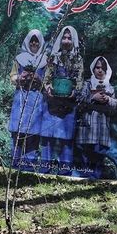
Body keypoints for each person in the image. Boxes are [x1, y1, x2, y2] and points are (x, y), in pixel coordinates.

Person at [39, 26, 84, 175]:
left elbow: (79, 80)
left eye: (69, 38)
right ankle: (44, 170)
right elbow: (47, 77)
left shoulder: (78, 59)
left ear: (73, 40)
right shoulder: (53, 57)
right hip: (51, 103)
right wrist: (48, 87)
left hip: (68, 105)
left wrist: (74, 91)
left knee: (66, 139)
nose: (66, 41)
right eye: (64, 38)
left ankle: (65, 172)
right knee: (47, 137)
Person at [8, 29, 47, 171]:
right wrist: (19, 77)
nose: (34, 43)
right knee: (17, 134)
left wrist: (39, 78)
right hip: (21, 99)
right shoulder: (19, 58)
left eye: (37, 41)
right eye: (32, 40)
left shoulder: (45, 60)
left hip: (37, 100)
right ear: (27, 42)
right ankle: (14, 168)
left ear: (41, 42)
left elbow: (48, 81)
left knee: (33, 136)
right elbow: (12, 76)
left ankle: (28, 170)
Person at [75, 56, 117, 178]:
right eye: (97, 67)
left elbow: (115, 106)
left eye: (103, 68)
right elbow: (78, 102)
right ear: (93, 69)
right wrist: (93, 98)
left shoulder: (110, 87)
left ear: (107, 70)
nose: (100, 70)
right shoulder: (87, 84)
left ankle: (95, 179)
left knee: (99, 157)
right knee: (85, 156)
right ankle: (84, 179)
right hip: (87, 129)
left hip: (102, 131)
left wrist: (108, 99)